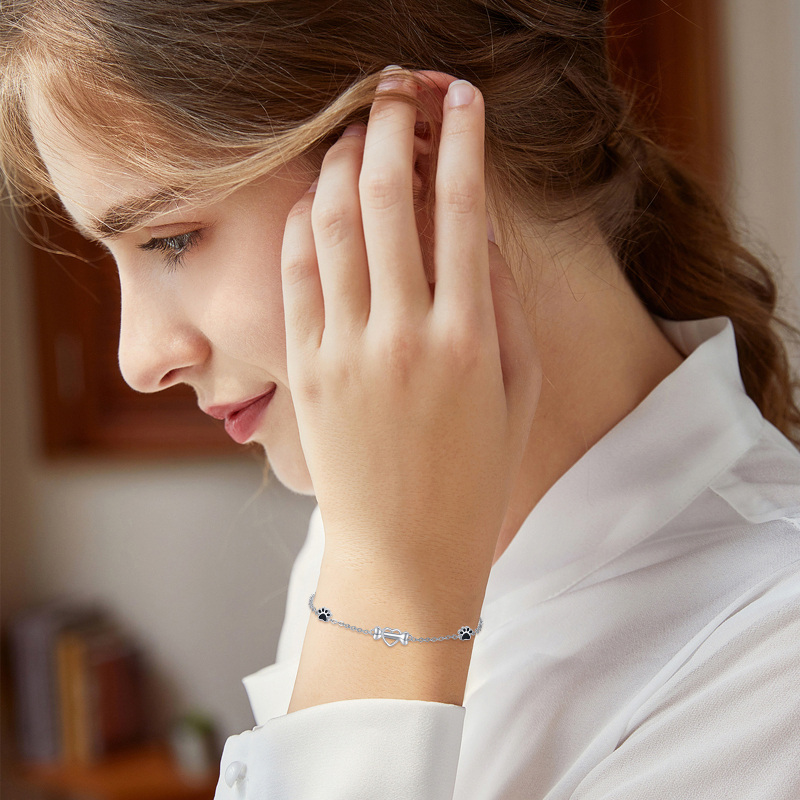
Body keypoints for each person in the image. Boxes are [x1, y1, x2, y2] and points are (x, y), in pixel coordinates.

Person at [2, 1, 800, 797]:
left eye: (170, 240)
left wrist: (390, 593)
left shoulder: (772, 660)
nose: (139, 360)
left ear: (408, 154)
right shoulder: (362, 531)